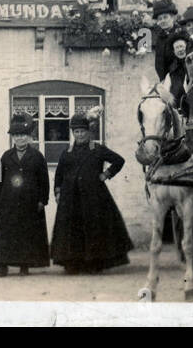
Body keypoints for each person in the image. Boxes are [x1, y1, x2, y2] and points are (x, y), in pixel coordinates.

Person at [51, 112, 132, 274]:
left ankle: (94, 263)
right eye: (76, 132)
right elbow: (59, 175)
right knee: (72, 231)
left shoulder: (98, 149)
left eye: (82, 131)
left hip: (94, 198)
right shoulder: (66, 152)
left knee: (93, 229)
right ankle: (73, 263)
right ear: (73, 133)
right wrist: (58, 192)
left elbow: (119, 160)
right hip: (70, 199)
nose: (79, 135)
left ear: (88, 132)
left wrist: (106, 174)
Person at [0, 115, 50, 276]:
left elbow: (44, 180)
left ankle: (25, 265)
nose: (20, 138)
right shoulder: (4, 156)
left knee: (27, 233)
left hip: (30, 202)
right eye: (17, 135)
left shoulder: (38, 156)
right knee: (8, 233)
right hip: (9, 201)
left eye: (23, 135)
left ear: (29, 137)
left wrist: (42, 200)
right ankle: (3, 265)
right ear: (13, 137)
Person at [148, 0, 180, 83]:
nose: (162, 21)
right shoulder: (160, 37)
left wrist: (170, 78)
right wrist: (162, 79)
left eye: (165, 17)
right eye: (160, 19)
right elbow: (159, 62)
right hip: (166, 80)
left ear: (172, 17)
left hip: (180, 77)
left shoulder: (180, 34)